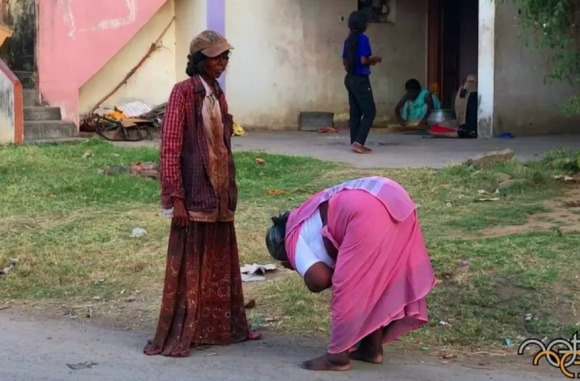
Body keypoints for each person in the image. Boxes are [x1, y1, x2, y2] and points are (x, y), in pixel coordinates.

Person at [144, 30, 260, 358]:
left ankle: (216, 328)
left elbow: (223, 145)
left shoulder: (218, 94)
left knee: (219, 265)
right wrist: (175, 197)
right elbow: (170, 147)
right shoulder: (183, 93)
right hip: (193, 196)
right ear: (199, 61)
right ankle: (186, 330)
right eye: (215, 57)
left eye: (225, 56)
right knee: (190, 266)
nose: (222, 62)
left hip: (219, 195)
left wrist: (229, 191)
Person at [265, 176, 436, 371]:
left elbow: (318, 281)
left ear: (283, 257)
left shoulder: (291, 238)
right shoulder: (305, 216)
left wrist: (296, 265)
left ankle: (337, 356)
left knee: (348, 285)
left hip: (367, 209)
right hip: (392, 197)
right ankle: (371, 349)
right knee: (376, 282)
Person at [343, 11, 382, 154]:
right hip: (360, 80)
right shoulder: (362, 39)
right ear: (363, 25)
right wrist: (375, 60)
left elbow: (345, 62)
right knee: (370, 112)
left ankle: (355, 141)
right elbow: (364, 60)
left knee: (355, 112)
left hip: (350, 78)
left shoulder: (348, 41)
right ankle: (359, 143)